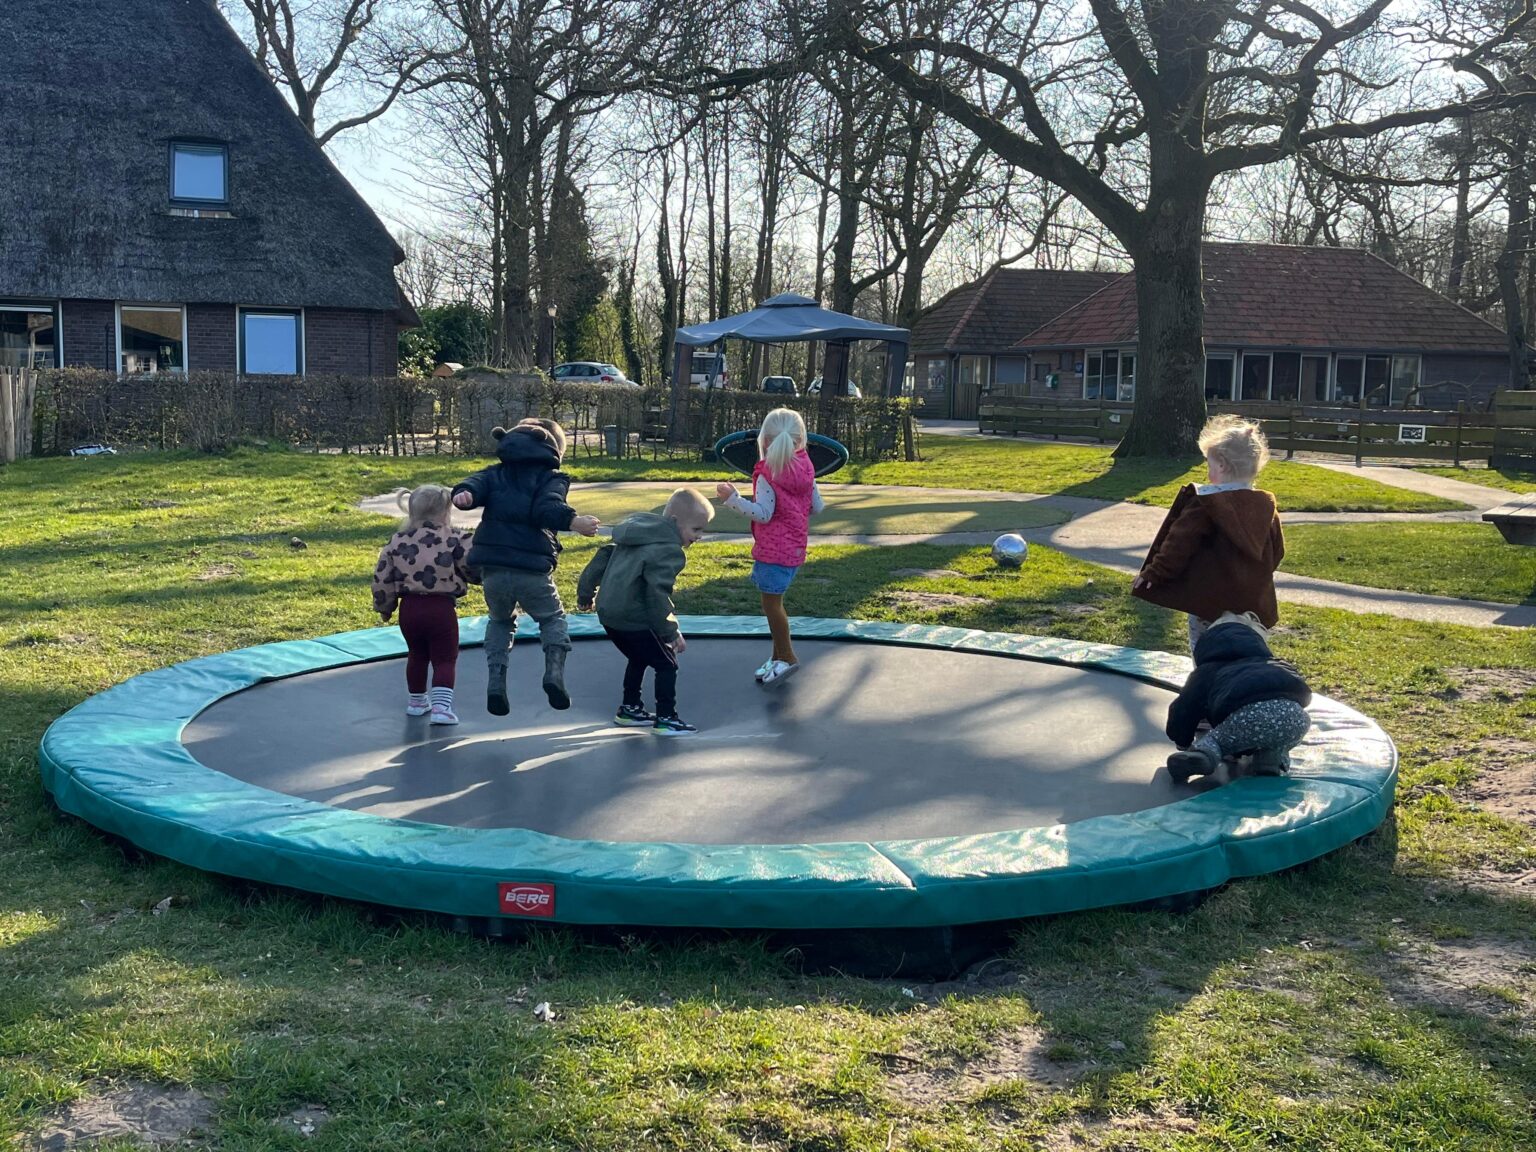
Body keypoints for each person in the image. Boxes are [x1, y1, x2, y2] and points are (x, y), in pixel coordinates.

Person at [451, 419, 599, 716]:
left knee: (500, 621)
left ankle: (496, 681)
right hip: (531, 570)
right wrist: (574, 521)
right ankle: (554, 673)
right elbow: (546, 509)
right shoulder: (552, 478)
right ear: (554, 451)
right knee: (552, 619)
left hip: (493, 570)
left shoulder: (495, 473)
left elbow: (473, 486)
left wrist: (463, 494)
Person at [1132, 414, 1284, 652]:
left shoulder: (1206, 504)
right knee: (1247, 649)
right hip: (1252, 603)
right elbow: (1277, 552)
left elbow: (1178, 544)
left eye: (1209, 465)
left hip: (1209, 602)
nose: (1208, 472)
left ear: (1221, 465)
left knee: (1204, 649)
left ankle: (1205, 681)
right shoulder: (1265, 507)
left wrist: (1154, 573)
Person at [576, 488, 715, 736]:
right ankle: (666, 718)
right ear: (674, 522)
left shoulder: (635, 534)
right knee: (667, 663)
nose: (700, 536)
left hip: (609, 614)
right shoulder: (668, 550)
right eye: (696, 529)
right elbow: (656, 595)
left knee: (639, 656)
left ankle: (629, 708)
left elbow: (602, 556)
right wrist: (670, 632)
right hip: (633, 616)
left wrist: (585, 594)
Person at [715, 408, 824, 686]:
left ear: (765, 440)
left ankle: (787, 657)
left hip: (773, 551)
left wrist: (733, 499)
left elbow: (763, 513)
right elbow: (817, 506)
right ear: (800, 440)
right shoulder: (807, 466)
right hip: (795, 549)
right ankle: (777, 659)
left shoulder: (768, 472)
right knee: (774, 603)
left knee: (772, 606)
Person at [1164, 611, 1312, 783]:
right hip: (1296, 718)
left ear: (1207, 645)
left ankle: (1203, 756)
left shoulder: (1208, 670)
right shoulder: (1275, 663)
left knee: (1218, 740)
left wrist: (1182, 741)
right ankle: (1271, 760)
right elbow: (1301, 688)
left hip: (1249, 717)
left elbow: (1184, 708)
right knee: (1277, 737)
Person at [372, 484, 477, 725]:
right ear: (445, 513)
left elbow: (382, 577)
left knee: (417, 655)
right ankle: (441, 707)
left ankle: (417, 702)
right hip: (440, 609)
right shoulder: (454, 538)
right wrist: (482, 579)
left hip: (410, 609)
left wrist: (385, 608)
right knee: (445, 658)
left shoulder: (397, 541)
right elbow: (472, 566)